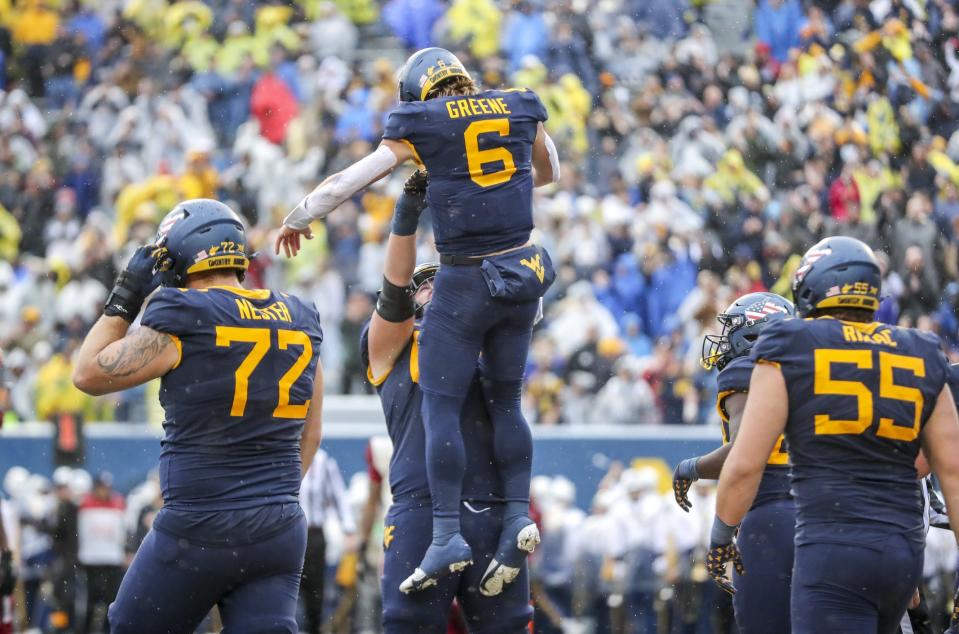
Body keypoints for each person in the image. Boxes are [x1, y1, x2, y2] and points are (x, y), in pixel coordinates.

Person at [275, 47, 560, 593]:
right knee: (507, 399)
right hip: (524, 273)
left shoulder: (420, 121)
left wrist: (299, 216)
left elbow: (347, 183)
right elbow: (548, 170)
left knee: (440, 404)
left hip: (466, 277)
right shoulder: (517, 104)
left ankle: (446, 533)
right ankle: (518, 513)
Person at [72, 199, 325, 633]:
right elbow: (311, 431)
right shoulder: (300, 316)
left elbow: (88, 373)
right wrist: (264, 501)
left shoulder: (184, 314)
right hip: (279, 527)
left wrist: (125, 296)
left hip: (200, 525)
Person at [710, 236, 959, 634]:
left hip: (832, 545)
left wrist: (722, 534)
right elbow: (952, 477)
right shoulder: (921, 350)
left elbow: (744, 461)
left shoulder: (790, 346)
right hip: (901, 548)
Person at [360, 171, 533, 630]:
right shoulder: (394, 342)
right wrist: (407, 215)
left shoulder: (488, 339)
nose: (438, 290)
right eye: (427, 284)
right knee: (408, 624)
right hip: (421, 507)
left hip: (494, 506)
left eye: (449, 282)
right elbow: (394, 293)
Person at [672, 291, 796, 633]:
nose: (724, 340)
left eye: (732, 330)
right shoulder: (812, 370)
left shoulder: (747, 369)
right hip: (824, 515)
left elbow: (747, 449)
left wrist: (692, 468)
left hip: (772, 516)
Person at [298, 447, 358, 634]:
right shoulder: (282, 454)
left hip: (314, 534)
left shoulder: (323, 461)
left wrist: (348, 530)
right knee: (285, 590)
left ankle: (314, 629)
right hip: (288, 534)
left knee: (315, 592)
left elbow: (339, 496)